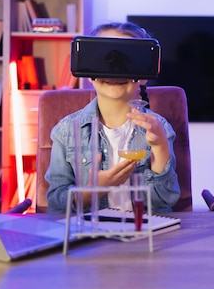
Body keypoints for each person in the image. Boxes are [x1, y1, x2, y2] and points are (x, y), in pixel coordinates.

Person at [46, 21, 180, 213]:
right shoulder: (66, 131)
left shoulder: (159, 129)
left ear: (143, 74)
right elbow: (55, 202)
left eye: (125, 61)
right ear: (88, 70)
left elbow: (165, 201)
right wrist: (92, 191)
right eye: (105, 60)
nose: (114, 71)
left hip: (144, 235)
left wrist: (160, 148)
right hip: (88, 236)